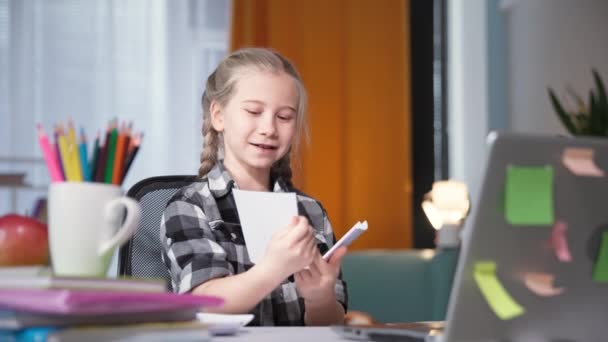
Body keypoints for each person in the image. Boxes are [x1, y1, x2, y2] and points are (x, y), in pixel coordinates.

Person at [160, 47, 348, 326]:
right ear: (219, 116)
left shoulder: (311, 212)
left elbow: (331, 324)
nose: (269, 128)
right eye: (254, 111)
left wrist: (320, 298)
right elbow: (204, 304)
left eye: (284, 117)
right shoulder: (189, 207)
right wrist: (273, 269)